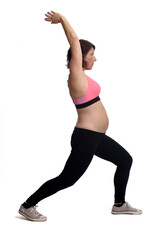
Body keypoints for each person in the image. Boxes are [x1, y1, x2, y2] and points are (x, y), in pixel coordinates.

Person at [18, 11, 142, 222]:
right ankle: (27, 205)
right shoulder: (75, 76)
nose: (95, 58)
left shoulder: (84, 76)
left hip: (97, 137)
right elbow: (75, 41)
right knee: (67, 179)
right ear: (80, 56)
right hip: (86, 137)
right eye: (91, 54)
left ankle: (119, 204)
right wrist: (63, 20)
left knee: (125, 160)